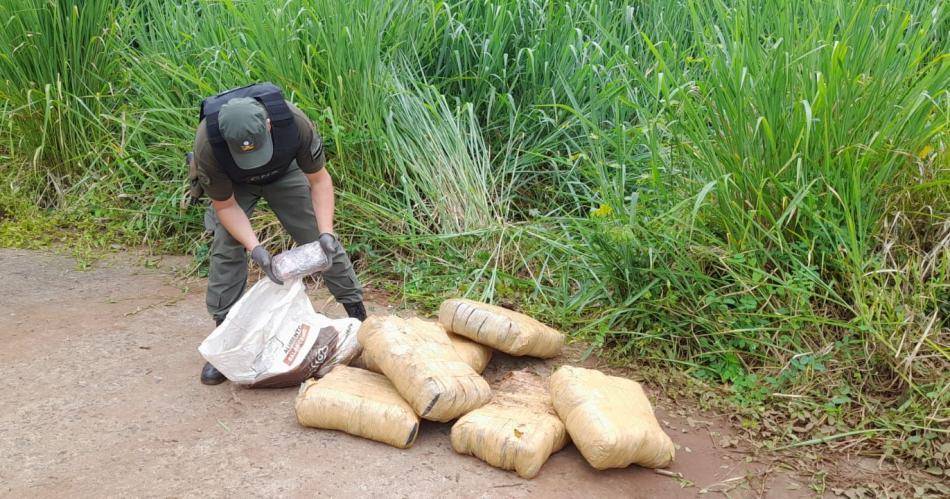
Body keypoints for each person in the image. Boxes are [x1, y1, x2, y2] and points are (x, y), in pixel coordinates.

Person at [188, 83, 366, 385]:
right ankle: (225, 340)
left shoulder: (294, 124)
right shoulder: (208, 145)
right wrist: (256, 248)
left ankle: (359, 317)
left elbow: (320, 181)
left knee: (319, 240)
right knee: (226, 245)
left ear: (269, 125)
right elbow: (226, 205)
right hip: (234, 184)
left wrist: (326, 233)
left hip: (284, 171)